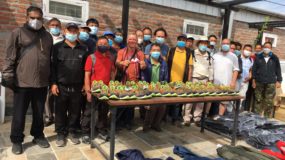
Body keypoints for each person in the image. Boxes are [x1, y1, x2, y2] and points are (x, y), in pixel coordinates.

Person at [2, 6, 53, 154]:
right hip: (22, 81)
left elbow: (49, 60)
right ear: (27, 17)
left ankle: (38, 135)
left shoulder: (47, 36)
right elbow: (9, 56)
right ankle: (17, 140)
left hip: (42, 82)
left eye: (38, 18)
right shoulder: (18, 33)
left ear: (42, 19)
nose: (36, 21)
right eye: (32, 17)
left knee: (39, 113)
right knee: (19, 114)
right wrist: (8, 76)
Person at [51, 23, 88, 147]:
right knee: (60, 111)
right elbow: (53, 67)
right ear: (65, 31)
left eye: (74, 31)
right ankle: (61, 133)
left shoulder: (83, 48)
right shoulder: (57, 47)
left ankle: (72, 131)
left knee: (75, 111)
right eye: (69, 30)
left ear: (77, 32)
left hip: (77, 86)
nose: (72, 33)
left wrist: (84, 84)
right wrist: (53, 83)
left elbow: (85, 69)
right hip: (61, 86)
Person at [81, 36, 116, 144]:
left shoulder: (110, 58)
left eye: (105, 44)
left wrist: (111, 84)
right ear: (96, 45)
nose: (103, 45)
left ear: (109, 46)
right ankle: (85, 133)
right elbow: (87, 75)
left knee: (103, 112)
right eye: (100, 43)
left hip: (105, 91)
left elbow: (112, 72)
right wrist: (88, 91)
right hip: (93, 91)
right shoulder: (92, 57)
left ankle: (101, 130)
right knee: (88, 112)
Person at [116, 34, 146, 130]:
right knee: (121, 103)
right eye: (130, 39)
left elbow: (143, 66)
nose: (132, 41)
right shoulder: (121, 51)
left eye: (134, 39)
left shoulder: (140, 53)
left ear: (137, 41)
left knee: (131, 104)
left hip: (135, 82)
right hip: (124, 81)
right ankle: (118, 122)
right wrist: (122, 63)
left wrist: (143, 65)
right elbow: (116, 62)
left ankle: (128, 122)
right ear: (127, 40)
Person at [182, 36, 213, 126]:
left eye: (205, 43)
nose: (203, 45)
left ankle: (197, 118)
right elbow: (189, 67)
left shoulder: (209, 55)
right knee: (189, 100)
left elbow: (211, 68)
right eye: (202, 43)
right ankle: (187, 118)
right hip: (193, 79)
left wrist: (210, 80)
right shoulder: (192, 53)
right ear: (198, 43)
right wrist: (188, 80)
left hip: (205, 79)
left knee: (201, 101)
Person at [141, 43, 168, 132]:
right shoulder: (145, 62)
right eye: (154, 50)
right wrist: (146, 89)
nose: (156, 52)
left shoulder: (163, 63)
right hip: (148, 88)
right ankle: (147, 125)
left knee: (162, 107)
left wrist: (163, 87)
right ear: (150, 52)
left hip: (160, 88)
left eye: (158, 50)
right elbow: (143, 77)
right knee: (151, 107)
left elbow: (166, 77)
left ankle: (156, 124)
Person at [167, 34, 194, 126]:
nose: (182, 41)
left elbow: (190, 68)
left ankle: (175, 118)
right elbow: (167, 63)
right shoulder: (171, 50)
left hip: (183, 80)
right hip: (170, 80)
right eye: (180, 40)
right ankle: (169, 116)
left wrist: (189, 81)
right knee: (170, 100)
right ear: (177, 41)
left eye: (184, 40)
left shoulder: (188, 52)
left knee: (179, 101)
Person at [252, 42, 282, 118]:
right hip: (259, 81)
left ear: (271, 48)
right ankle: (256, 117)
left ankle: (266, 118)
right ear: (263, 48)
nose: (266, 48)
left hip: (271, 82)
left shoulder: (275, 58)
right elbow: (254, 69)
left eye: (268, 47)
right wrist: (253, 80)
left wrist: (279, 80)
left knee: (269, 101)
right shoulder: (258, 57)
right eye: (265, 47)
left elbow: (278, 69)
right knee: (258, 100)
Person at [44, 18, 64, 127]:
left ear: (60, 27)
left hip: (58, 68)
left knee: (57, 93)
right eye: (52, 25)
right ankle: (48, 116)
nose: (55, 27)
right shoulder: (45, 37)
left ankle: (58, 116)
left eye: (57, 25)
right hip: (46, 68)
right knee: (47, 94)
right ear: (48, 26)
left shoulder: (63, 39)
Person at [212, 38, 239, 118]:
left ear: (230, 45)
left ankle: (219, 117)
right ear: (221, 44)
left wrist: (233, 82)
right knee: (210, 101)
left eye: (227, 44)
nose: (225, 45)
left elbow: (236, 70)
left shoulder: (233, 56)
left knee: (224, 102)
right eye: (223, 43)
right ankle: (207, 116)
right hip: (214, 83)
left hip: (227, 83)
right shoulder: (215, 55)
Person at [238, 44, 253, 110]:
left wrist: (250, 77)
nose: (248, 51)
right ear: (243, 50)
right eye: (247, 49)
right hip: (237, 81)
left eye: (250, 50)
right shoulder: (237, 57)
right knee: (234, 96)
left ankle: (237, 111)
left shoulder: (251, 60)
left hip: (245, 82)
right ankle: (229, 112)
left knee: (242, 97)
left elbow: (250, 70)